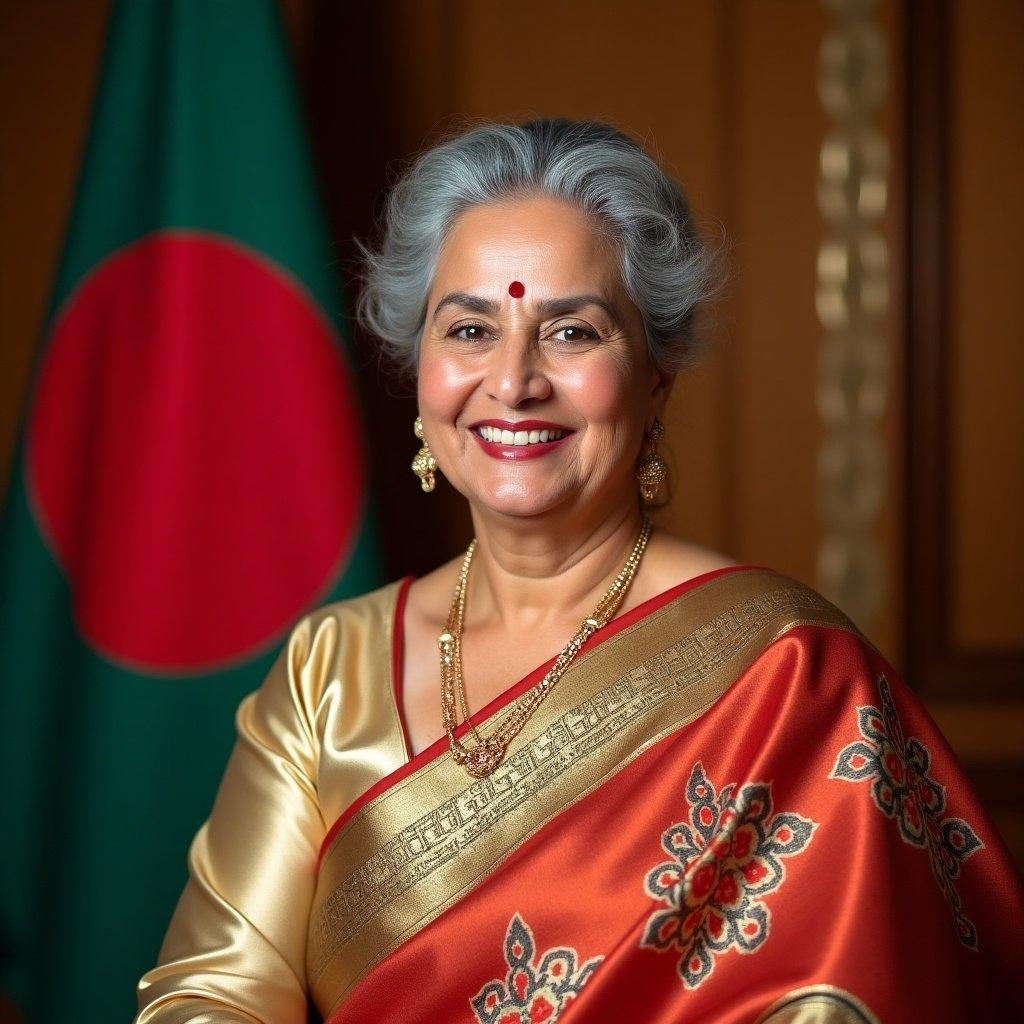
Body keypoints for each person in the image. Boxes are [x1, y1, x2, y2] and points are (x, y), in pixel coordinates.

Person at [134, 118, 1023, 1024]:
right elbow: (209, 992)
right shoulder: (332, 667)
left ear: (657, 375)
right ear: (418, 370)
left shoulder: (791, 675)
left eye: (571, 331)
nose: (514, 381)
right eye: (471, 327)